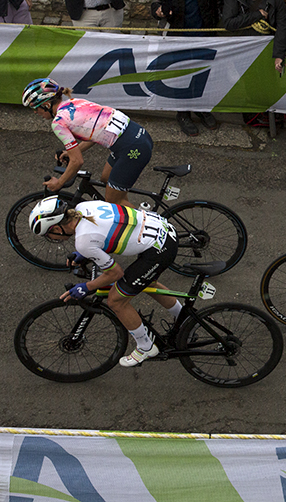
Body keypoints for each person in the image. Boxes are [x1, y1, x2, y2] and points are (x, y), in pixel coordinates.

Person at [29, 196, 181, 367]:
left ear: (57, 227)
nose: (51, 238)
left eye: (48, 234)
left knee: (116, 300)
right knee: (146, 283)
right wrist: (86, 253)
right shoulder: (84, 207)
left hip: (158, 249)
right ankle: (183, 318)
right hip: (164, 229)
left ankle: (146, 347)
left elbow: (115, 273)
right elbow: (105, 230)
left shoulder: (83, 241)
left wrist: (86, 287)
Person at [22, 78, 153, 208]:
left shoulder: (58, 122)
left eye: (35, 108)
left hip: (131, 148)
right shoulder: (75, 102)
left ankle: (152, 225)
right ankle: (126, 210)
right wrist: (70, 151)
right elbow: (94, 134)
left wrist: (59, 183)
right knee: (106, 179)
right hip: (139, 135)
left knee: (113, 202)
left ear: (46, 105)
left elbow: (77, 161)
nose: (35, 112)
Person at [151, 0, 220, 136]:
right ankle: (183, 113)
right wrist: (159, 12)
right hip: (177, 33)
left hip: (203, 30)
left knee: (202, 71)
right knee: (180, 73)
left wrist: (217, 22)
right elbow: (154, 3)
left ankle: (201, 107)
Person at [222, 0, 286, 73]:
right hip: (243, 48)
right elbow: (228, 23)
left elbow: (283, 25)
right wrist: (257, 15)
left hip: (267, 46)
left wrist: (279, 55)